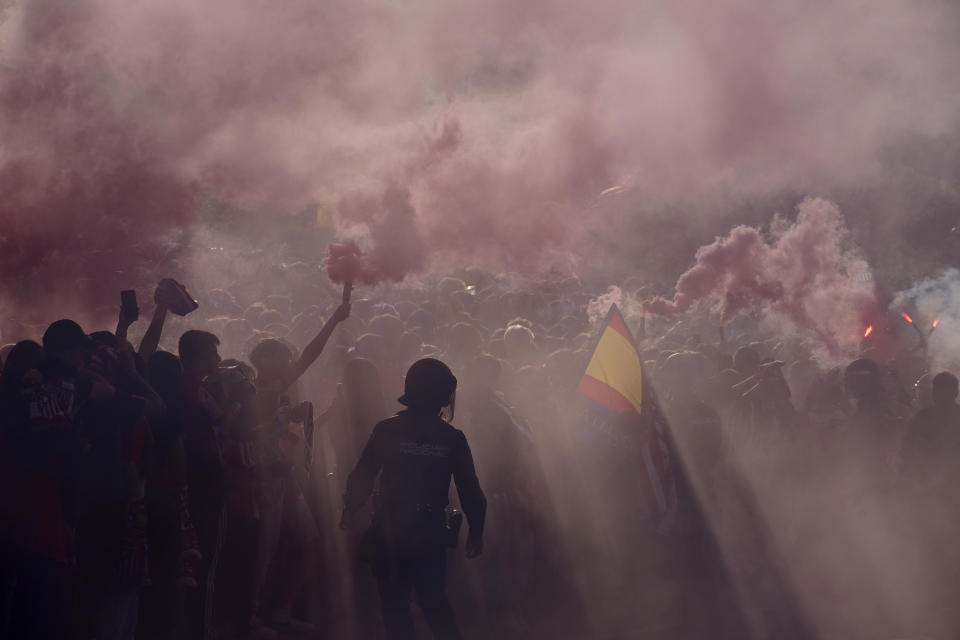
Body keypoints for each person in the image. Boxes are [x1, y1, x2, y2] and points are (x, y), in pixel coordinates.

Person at [341, 358, 486, 640]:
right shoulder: (452, 437)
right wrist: (476, 531)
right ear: (443, 394)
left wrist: (350, 508)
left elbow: (363, 475)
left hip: (388, 528)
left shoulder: (386, 429)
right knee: (434, 601)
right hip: (429, 531)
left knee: (395, 605)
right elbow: (470, 490)